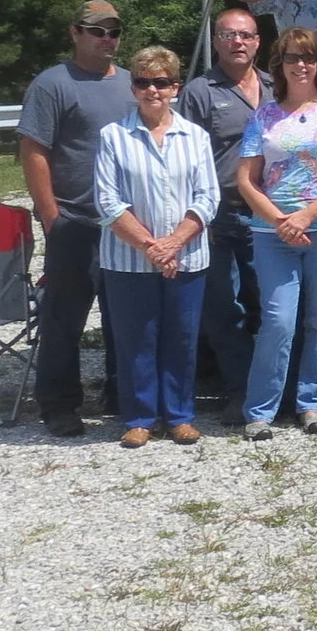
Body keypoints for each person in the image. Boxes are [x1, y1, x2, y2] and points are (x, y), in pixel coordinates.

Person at [234, 30, 317, 439]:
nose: (301, 65)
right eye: (293, 57)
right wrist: (281, 221)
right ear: (280, 65)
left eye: (309, 58)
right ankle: (259, 411)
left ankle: (312, 405)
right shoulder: (264, 117)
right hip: (274, 235)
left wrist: (306, 216)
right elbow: (246, 180)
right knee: (277, 320)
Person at [18, 0, 137, 436]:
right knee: (64, 317)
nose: (107, 39)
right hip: (75, 219)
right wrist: (51, 216)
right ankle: (59, 403)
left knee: (122, 315)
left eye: (114, 31)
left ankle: (121, 393)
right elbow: (33, 152)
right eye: (96, 30)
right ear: (75, 33)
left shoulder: (131, 83)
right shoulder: (52, 85)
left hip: (123, 223)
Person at [91, 46, 219, 448]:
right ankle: (139, 417)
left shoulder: (195, 136)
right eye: (144, 82)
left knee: (182, 337)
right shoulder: (113, 136)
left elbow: (208, 196)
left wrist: (175, 242)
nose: (153, 90)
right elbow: (107, 201)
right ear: (133, 88)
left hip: (188, 256)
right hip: (128, 259)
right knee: (136, 339)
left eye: (161, 82)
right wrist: (152, 246)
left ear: (175, 88)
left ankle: (180, 416)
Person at [178, 7, 271, 417]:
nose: (238, 42)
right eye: (229, 35)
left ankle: (270, 391)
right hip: (220, 215)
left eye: (246, 35)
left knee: (269, 305)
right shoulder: (200, 91)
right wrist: (195, 216)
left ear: (257, 42)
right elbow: (183, 159)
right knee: (223, 308)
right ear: (216, 41)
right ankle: (241, 391)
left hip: (270, 214)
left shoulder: (275, 85)